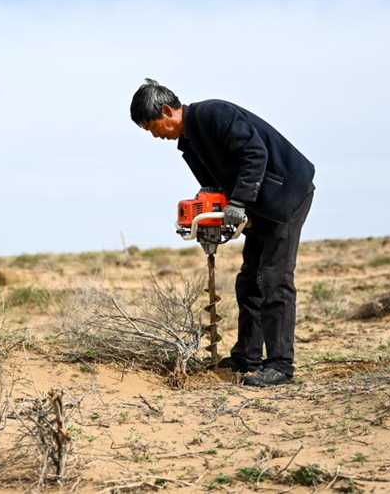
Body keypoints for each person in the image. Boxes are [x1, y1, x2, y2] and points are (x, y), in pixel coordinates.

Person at [130, 79, 315, 387]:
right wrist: (211, 219)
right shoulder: (190, 143)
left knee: (274, 279)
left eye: (152, 126)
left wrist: (239, 203)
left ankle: (281, 365)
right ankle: (246, 357)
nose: (154, 134)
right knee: (248, 280)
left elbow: (255, 154)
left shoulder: (214, 115)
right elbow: (217, 185)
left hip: (286, 196)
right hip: (259, 207)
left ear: (166, 110)